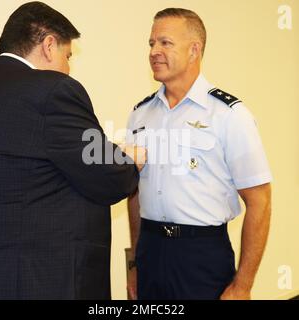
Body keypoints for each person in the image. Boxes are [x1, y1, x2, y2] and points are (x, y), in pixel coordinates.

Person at [0, 1, 146, 300]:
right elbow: (108, 178)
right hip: (43, 278)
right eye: (67, 56)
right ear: (49, 45)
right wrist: (129, 160)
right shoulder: (53, 90)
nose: (68, 67)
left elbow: (44, 158)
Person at [126, 8, 272, 300]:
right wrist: (135, 265)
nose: (154, 51)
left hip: (202, 256)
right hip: (151, 251)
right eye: (151, 43)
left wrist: (243, 286)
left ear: (195, 50)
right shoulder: (140, 114)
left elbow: (260, 201)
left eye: (165, 43)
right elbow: (135, 193)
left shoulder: (229, 115)